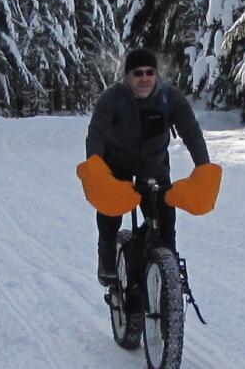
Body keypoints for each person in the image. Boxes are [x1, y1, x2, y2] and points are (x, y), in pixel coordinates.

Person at [81, 48, 210, 284]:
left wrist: (204, 169)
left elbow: (192, 134)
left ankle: (166, 275)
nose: (144, 78)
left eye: (150, 72)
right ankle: (107, 253)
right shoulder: (113, 99)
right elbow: (96, 136)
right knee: (111, 209)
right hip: (116, 163)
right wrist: (97, 172)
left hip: (153, 165)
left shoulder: (170, 98)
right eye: (137, 73)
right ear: (128, 76)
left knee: (164, 223)